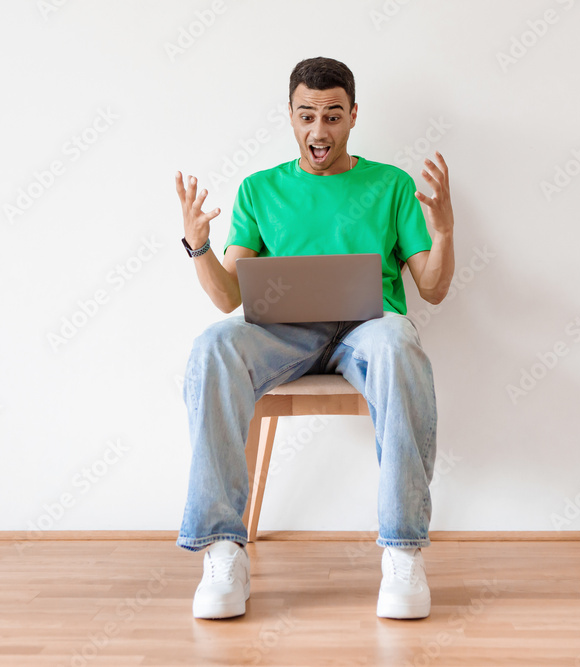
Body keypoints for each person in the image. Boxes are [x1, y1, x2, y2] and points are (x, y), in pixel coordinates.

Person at [174, 56, 455, 620]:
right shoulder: (260, 190)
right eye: (307, 116)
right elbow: (229, 296)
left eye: (332, 115)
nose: (319, 130)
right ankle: (223, 549)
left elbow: (433, 287)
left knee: (400, 341)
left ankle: (403, 551)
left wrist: (444, 231)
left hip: (368, 330)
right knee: (212, 345)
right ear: (291, 116)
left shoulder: (391, 185)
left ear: (353, 116)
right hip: (284, 332)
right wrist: (199, 246)